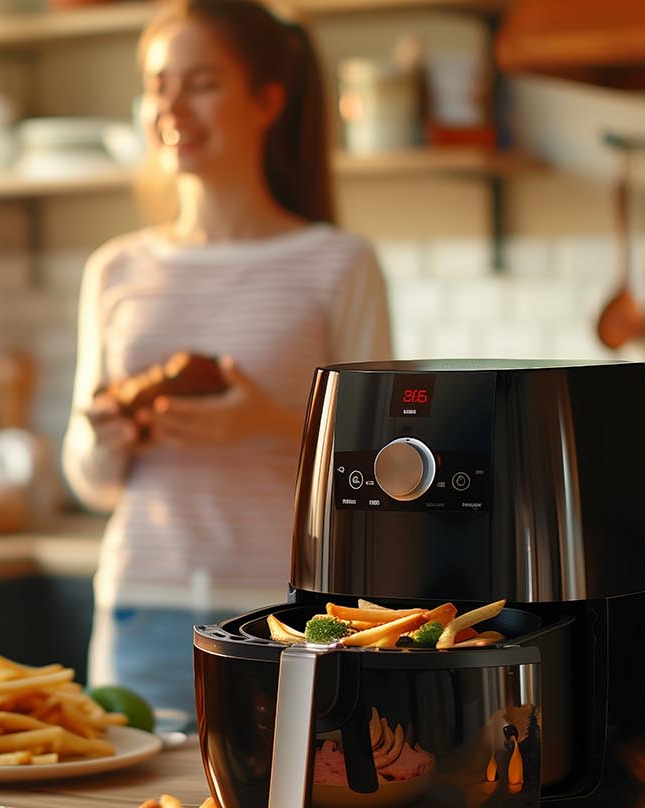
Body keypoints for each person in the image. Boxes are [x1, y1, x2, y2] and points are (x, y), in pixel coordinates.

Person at [62, 0, 392, 722]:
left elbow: (382, 473)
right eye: (157, 84)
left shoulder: (338, 263)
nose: (171, 106)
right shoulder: (115, 268)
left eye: (201, 83)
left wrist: (268, 423)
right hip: (138, 610)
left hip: (287, 616)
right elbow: (87, 479)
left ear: (267, 100)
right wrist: (106, 439)